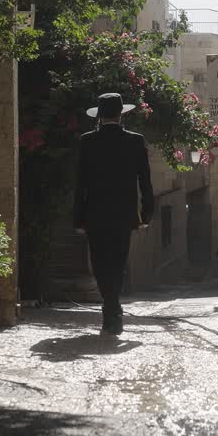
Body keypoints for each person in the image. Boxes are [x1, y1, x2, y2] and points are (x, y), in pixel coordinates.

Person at [73, 93, 154, 335]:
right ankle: (113, 310)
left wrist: (78, 218)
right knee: (118, 262)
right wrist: (146, 214)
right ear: (121, 114)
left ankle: (111, 310)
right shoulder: (135, 141)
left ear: (99, 115)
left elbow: (81, 184)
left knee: (99, 263)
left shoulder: (87, 141)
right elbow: (145, 181)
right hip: (124, 214)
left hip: (95, 214)